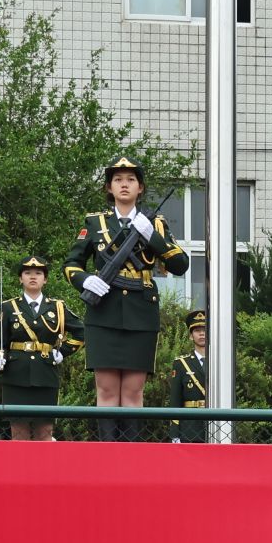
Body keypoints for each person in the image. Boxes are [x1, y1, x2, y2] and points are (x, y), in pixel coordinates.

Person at [63, 155, 189, 440]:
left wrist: (152, 237)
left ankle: (131, 458)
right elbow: (71, 264)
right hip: (103, 313)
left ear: (140, 187)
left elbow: (180, 265)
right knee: (106, 391)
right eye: (118, 179)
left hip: (140, 313)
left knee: (133, 393)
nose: (124, 184)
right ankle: (107, 458)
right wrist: (86, 280)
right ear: (109, 187)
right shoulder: (94, 223)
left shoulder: (155, 224)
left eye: (131, 179)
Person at [0, 254, 83, 442]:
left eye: (38, 273)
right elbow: (1, 342)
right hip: (16, 375)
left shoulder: (57, 307)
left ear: (45, 279)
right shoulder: (9, 307)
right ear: (20, 278)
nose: (33, 276)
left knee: (44, 433)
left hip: (45, 374)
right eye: (27, 273)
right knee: (19, 434)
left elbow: (82, 332)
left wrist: (63, 352)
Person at [167, 307, 211, 443]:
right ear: (191, 335)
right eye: (197, 331)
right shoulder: (181, 363)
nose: (202, 334)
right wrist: (174, 433)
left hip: (216, 423)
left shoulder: (218, 363)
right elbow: (175, 400)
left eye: (205, 330)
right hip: (190, 425)